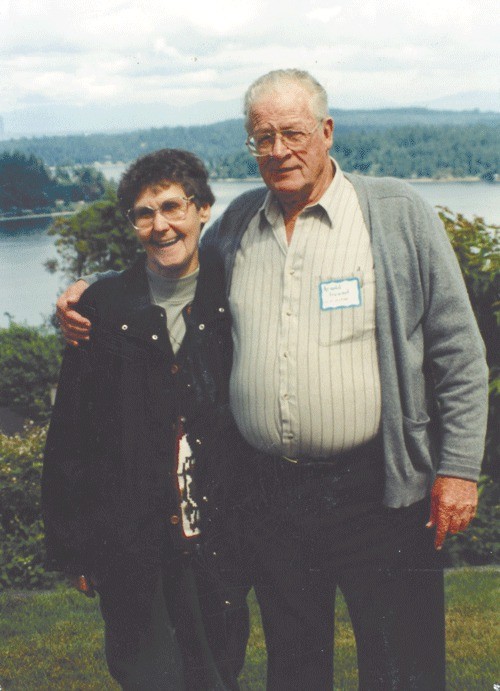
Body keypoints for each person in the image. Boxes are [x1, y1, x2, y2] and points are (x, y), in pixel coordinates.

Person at [56, 70, 489, 690]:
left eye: (293, 133)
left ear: (327, 132)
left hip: (381, 489)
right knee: (295, 667)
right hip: (273, 498)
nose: (279, 150)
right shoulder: (238, 225)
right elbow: (170, 269)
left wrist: (458, 470)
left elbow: (459, 352)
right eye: (263, 138)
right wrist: (88, 296)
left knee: (404, 666)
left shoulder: (396, 214)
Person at [42, 149, 247, 691]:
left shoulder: (234, 293)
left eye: (173, 207)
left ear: (203, 209)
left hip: (217, 538)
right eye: (144, 213)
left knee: (217, 672)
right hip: (130, 544)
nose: (160, 226)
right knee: (147, 674)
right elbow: (71, 433)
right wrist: (73, 544)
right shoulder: (102, 307)